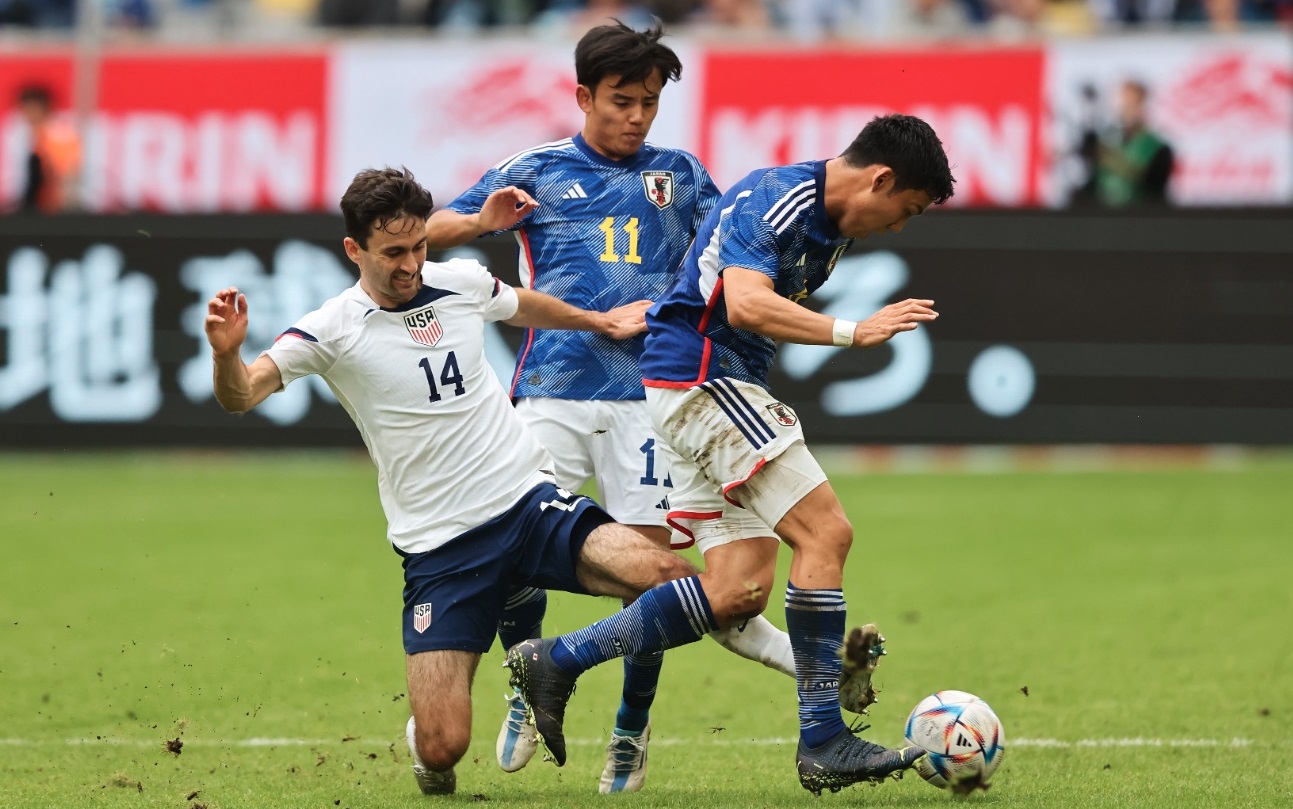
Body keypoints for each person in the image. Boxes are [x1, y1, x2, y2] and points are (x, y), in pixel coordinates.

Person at [424, 19, 857, 794]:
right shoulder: (538, 169)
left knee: (651, 575)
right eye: (621, 101)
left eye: (649, 103)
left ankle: (630, 728)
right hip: (552, 390)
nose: (635, 117)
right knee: (510, 546)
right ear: (583, 95)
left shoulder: (683, 175)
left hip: (650, 403)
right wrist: (479, 222)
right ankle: (524, 683)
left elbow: (735, 249)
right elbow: (424, 232)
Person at [204, 166, 701, 797]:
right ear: (354, 250)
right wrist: (226, 356)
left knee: (673, 583)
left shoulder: (458, 281)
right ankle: (434, 737)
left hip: (528, 505)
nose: (410, 265)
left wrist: (599, 323)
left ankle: (557, 662)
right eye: (392, 254)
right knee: (445, 748)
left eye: (418, 247)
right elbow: (242, 395)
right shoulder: (332, 328)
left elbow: (523, 304)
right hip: (441, 548)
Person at [505, 113, 956, 796]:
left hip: (699, 385)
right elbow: (745, 304)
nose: (898, 226)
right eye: (907, 209)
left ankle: (558, 658)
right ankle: (823, 738)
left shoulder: (826, 225)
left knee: (735, 591)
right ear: (880, 178)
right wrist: (851, 331)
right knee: (826, 531)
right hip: (704, 380)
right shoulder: (782, 197)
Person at [1093, 80, 1174, 207]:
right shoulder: (1106, 140)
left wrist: (1110, 159)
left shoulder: (1159, 148)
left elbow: (1153, 185)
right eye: (1123, 104)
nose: (1126, 110)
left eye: (1132, 104)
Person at [14, 83, 81, 214]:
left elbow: (68, 174)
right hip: (31, 206)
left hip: (54, 206)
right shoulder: (22, 136)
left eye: (32, 109)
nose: (29, 114)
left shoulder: (60, 136)